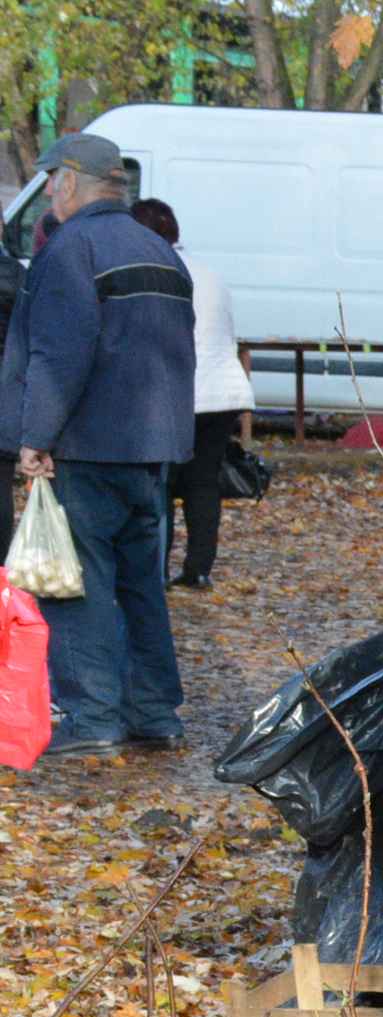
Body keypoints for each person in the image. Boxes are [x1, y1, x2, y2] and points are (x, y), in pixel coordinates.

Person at [0, 133, 194, 757]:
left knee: (76, 586)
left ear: (68, 182)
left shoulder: (70, 250)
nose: (50, 191)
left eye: (52, 180)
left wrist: (34, 438)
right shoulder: (161, 251)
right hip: (152, 453)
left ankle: (92, 719)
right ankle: (156, 714)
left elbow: (60, 355)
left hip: (86, 447)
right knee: (142, 586)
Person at [129, 199, 250, 589]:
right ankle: (198, 567)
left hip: (183, 392)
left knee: (161, 481)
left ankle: (156, 567)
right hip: (224, 391)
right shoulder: (210, 273)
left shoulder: (156, 272)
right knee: (203, 482)